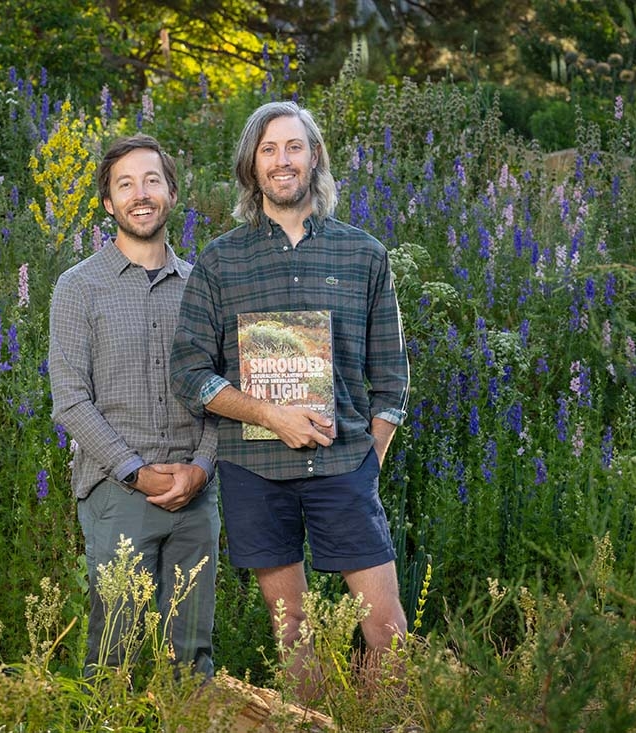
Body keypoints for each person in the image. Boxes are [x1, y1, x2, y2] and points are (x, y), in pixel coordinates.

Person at [170, 101, 410, 697]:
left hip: (344, 464)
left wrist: (369, 460)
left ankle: (384, 720)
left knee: (385, 627)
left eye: (294, 147)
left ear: (314, 158)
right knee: (293, 631)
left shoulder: (364, 254)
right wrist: (267, 413)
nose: (283, 160)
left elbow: (392, 379)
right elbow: (190, 372)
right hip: (256, 468)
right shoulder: (221, 261)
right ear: (252, 167)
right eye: (269, 149)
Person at [49, 134, 219, 679]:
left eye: (151, 181)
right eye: (125, 184)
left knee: (190, 654)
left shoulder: (202, 287)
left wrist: (201, 467)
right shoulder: (78, 288)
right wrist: (137, 474)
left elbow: (224, 390)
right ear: (108, 202)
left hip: (196, 495)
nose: (139, 194)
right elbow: (71, 400)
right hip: (116, 495)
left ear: (171, 193)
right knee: (113, 650)